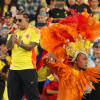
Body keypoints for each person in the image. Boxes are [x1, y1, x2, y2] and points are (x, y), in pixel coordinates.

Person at [40, 10, 100, 100]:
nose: (86, 61)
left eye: (86, 59)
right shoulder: (64, 71)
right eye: (84, 59)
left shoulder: (86, 73)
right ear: (75, 61)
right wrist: (52, 53)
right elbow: (46, 60)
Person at [6, 10, 40, 100]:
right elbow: (8, 47)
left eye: (20, 20)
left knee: (32, 97)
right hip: (13, 69)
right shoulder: (14, 30)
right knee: (12, 97)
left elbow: (30, 47)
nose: (17, 23)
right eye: (16, 20)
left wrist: (20, 43)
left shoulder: (35, 31)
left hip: (28, 68)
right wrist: (12, 33)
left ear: (27, 20)